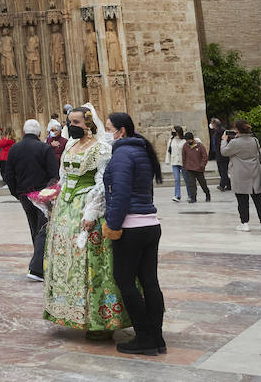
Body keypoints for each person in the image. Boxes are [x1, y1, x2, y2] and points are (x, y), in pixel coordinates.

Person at [43, 106, 128, 340]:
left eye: (77, 122)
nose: (72, 126)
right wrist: (52, 195)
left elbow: (102, 183)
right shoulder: (70, 145)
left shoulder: (101, 148)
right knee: (67, 260)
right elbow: (63, 177)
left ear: (89, 124)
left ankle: (97, 321)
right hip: (65, 209)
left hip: (86, 206)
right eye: (70, 122)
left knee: (90, 262)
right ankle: (71, 312)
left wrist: (91, 212)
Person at [102, 111, 166, 356]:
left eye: (108, 128)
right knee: (149, 281)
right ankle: (156, 337)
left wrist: (113, 226)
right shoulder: (142, 150)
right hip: (151, 224)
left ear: (121, 131)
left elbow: (119, 195)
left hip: (131, 226)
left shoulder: (121, 155)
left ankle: (145, 336)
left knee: (125, 281)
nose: (106, 133)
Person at [2, 118, 58, 282]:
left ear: (24, 132)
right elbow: (53, 174)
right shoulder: (44, 148)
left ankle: (39, 264)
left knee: (35, 228)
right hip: (42, 195)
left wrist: (17, 193)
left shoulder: (14, 149)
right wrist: (48, 193)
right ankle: (38, 268)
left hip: (24, 195)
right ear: (39, 133)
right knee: (43, 230)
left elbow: (8, 175)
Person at [222, 120, 261, 232]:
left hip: (240, 173)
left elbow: (224, 152)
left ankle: (245, 223)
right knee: (258, 199)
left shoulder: (235, 143)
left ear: (237, 130)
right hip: (254, 172)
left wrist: (224, 141)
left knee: (242, 200)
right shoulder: (254, 140)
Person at [180, 131, 211, 202]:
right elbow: (183, 157)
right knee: (191, 184)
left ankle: (207, 194)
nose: (188, 142)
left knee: (203, 183)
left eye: (189, 140)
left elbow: (204, 157)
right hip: (189, 168)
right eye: (186, 141)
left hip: (199, 168)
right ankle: (193, 198)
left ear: (192, 139)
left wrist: (202, 165)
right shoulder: (185, 146)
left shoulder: (200, 146)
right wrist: (185, 167)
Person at [164, 127, 184, 203]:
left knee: (186, 179)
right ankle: (177, 195)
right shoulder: (171, 140)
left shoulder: (184, 140)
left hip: (183, 162)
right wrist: (167, 160)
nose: (173, 132)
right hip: (174, 162)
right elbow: (168, 150)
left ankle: (191, 195)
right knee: (176, 179)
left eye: (174, 131)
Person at [209, 118, 230, 191]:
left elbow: (221, 142)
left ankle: (222, 185)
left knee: (223, 171)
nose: (211, 125)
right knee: (222, 170)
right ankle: (229, 185)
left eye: (211, 123)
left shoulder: (221, 131)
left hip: (222, 154)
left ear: (214, 124)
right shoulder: (216, 131)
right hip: (218, 153)